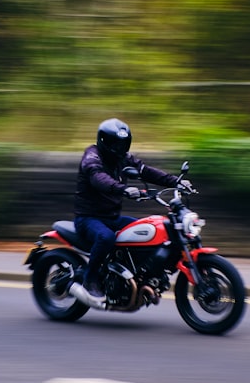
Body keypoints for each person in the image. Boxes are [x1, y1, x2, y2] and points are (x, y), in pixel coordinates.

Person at [71, 118, 190, 308]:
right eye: (115, 143)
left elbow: (146, 171)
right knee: (106, 238)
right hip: (88, 218)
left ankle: (139, 277)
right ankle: (90, 279)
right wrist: (123, 189)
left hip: (112, 217)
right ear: (104, 141)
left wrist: (175, 181)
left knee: (149, 232)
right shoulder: (92, 156)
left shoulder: (123, 158)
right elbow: (98, 178)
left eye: (122, 144)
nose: (119, 148)